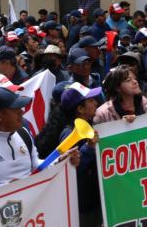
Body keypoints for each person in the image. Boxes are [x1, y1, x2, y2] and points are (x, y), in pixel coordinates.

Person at [0, 87, 80, 199]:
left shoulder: (24, 133)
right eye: (15, 109)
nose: (22, 112)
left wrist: (59, 161)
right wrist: (4, 190)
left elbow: (35, 165)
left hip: (32, 210)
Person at [60, 83, 102, 226]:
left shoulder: (92, 125)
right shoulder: (68, 134)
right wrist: (88, 149)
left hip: (95, 200)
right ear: (80, 109)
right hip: (83, 207)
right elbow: (70, 170)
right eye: (90, 101)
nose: (96, 102)